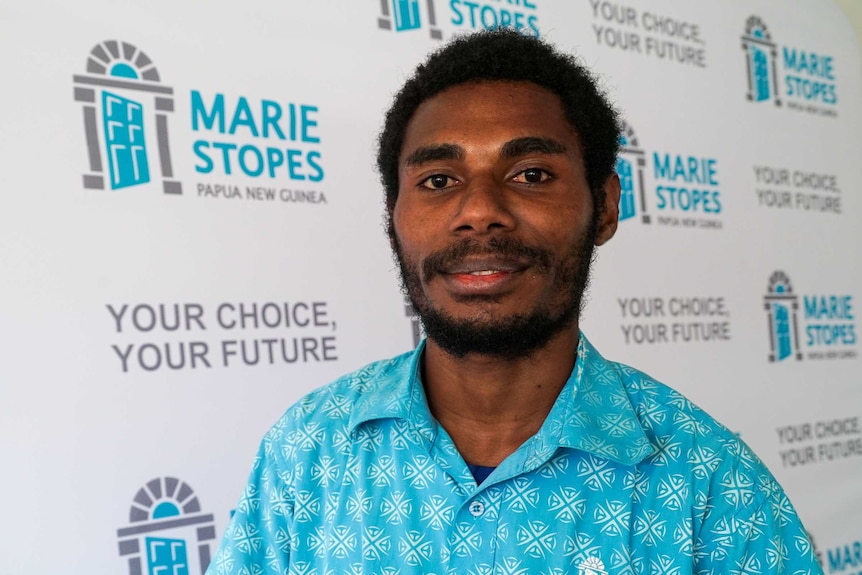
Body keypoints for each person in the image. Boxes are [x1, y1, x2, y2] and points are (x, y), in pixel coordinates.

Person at [208, 29, 821, 575]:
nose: (478, 211)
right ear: (393, 216)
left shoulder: (711, 485)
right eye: (438, 180)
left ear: (604, 206)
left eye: (530, 173)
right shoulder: (308, 450)